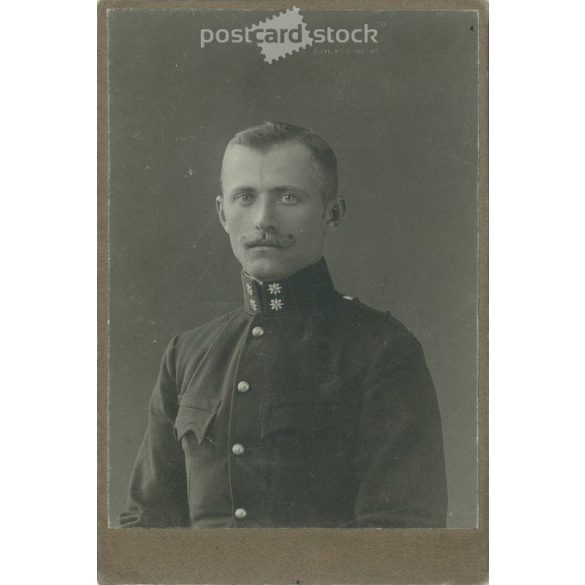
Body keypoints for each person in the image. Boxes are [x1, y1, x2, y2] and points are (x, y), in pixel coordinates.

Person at [119, 121, 447, 529]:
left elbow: (400, 533)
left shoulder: (381, 348)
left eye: (288, 197)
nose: (263, 219)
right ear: (222, 213)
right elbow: (146, 523)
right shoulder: (187, 353)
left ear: (332, 213)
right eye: (244, 197)